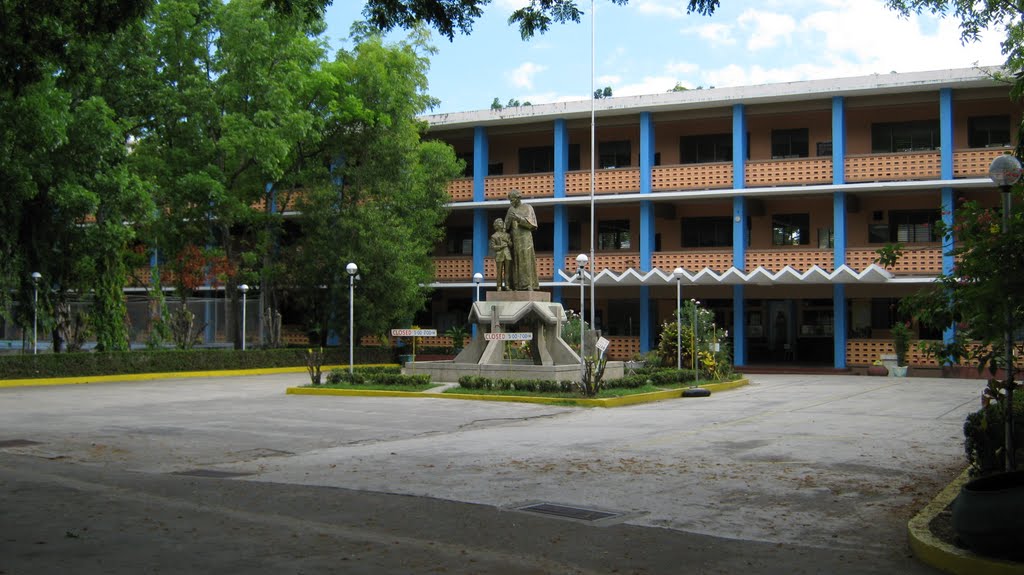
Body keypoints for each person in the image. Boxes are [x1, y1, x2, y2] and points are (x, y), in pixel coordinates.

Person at [503, 190, 539, 291]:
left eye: (512, 200)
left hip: (525, 238)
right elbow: (506, 226)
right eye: (510, 200)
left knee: (525, 260)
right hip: (514, 238)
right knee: (515, 260)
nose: (511, 202)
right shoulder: (510, 209)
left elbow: (533, 224)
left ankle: (528, 285)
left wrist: (519, 218)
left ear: (518, 198)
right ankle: (516, 285)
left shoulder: (527, 207)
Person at [490, 218, 512, 291]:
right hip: (499, 255)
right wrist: (500, 247)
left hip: (507, 254)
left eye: (502, 222)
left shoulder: (507, 235)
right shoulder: (494, 236)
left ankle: (507, 285)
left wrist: (508, 242)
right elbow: (493, 247)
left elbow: (511, 245)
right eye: (500, 223)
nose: (502, 224)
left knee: (507, 271)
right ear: (496, 225)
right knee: (499, 271)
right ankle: (499, 286)